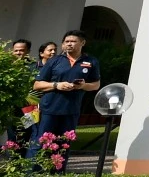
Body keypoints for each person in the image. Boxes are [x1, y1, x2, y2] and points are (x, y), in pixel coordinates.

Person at [30, 29, 99, 162]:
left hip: (71, 110)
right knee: (42, 142)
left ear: (82, 43)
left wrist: (83, 86)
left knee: (64, 144)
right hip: (49, 109)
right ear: (63, 44)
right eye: (67, 41)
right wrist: (57, 85)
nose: (69, 44)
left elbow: (96, 84)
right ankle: (34, 173)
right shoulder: (54, 61)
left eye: (73, 41)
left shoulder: (91, 62)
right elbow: (37, 84)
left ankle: (58, 176)